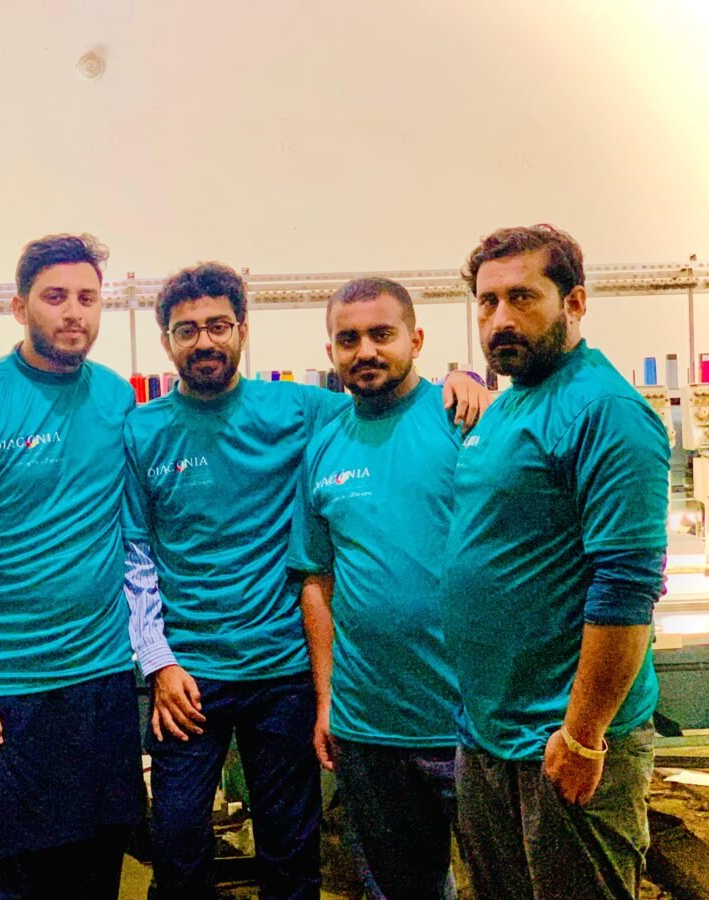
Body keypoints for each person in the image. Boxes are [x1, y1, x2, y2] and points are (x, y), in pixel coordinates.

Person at [122, 263, 486, 899]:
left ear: (242, 331)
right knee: (177, 845)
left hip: (283, 672)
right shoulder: (143, 430)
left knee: (291, 850)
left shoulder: (301, 411)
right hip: (188, 678)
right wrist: (157, 661)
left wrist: (463, 380)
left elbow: (385, 397)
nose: (204, 341)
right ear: (166, 341)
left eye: (218, 325)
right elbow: (135, 554)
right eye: (187, 330)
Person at [0, 233, 143, 899]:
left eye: (88, 298)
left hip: (100, 682)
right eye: (55, 297)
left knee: (93, 876)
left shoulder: (116, 398)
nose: (74, 312)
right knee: (0, 880)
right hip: (2, 692)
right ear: (20, 307)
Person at [442, 225, 670, 898]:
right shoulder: (508, 405)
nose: (500, 318)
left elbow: (624, 588)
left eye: (522, 297)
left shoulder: (607, 410)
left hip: (562, 738)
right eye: (487, 302)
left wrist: (584, 734)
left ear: (575, 302)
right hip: (490, 730)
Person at [287, 277, 463, 898]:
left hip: (469, 722)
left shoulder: (463, 420)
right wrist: (328, 701)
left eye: (381, 334)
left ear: (417, 339)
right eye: (349, 339)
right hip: (368, 727)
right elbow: (317, 580)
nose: (365, 351)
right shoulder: (324, 447)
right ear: (330, 351)